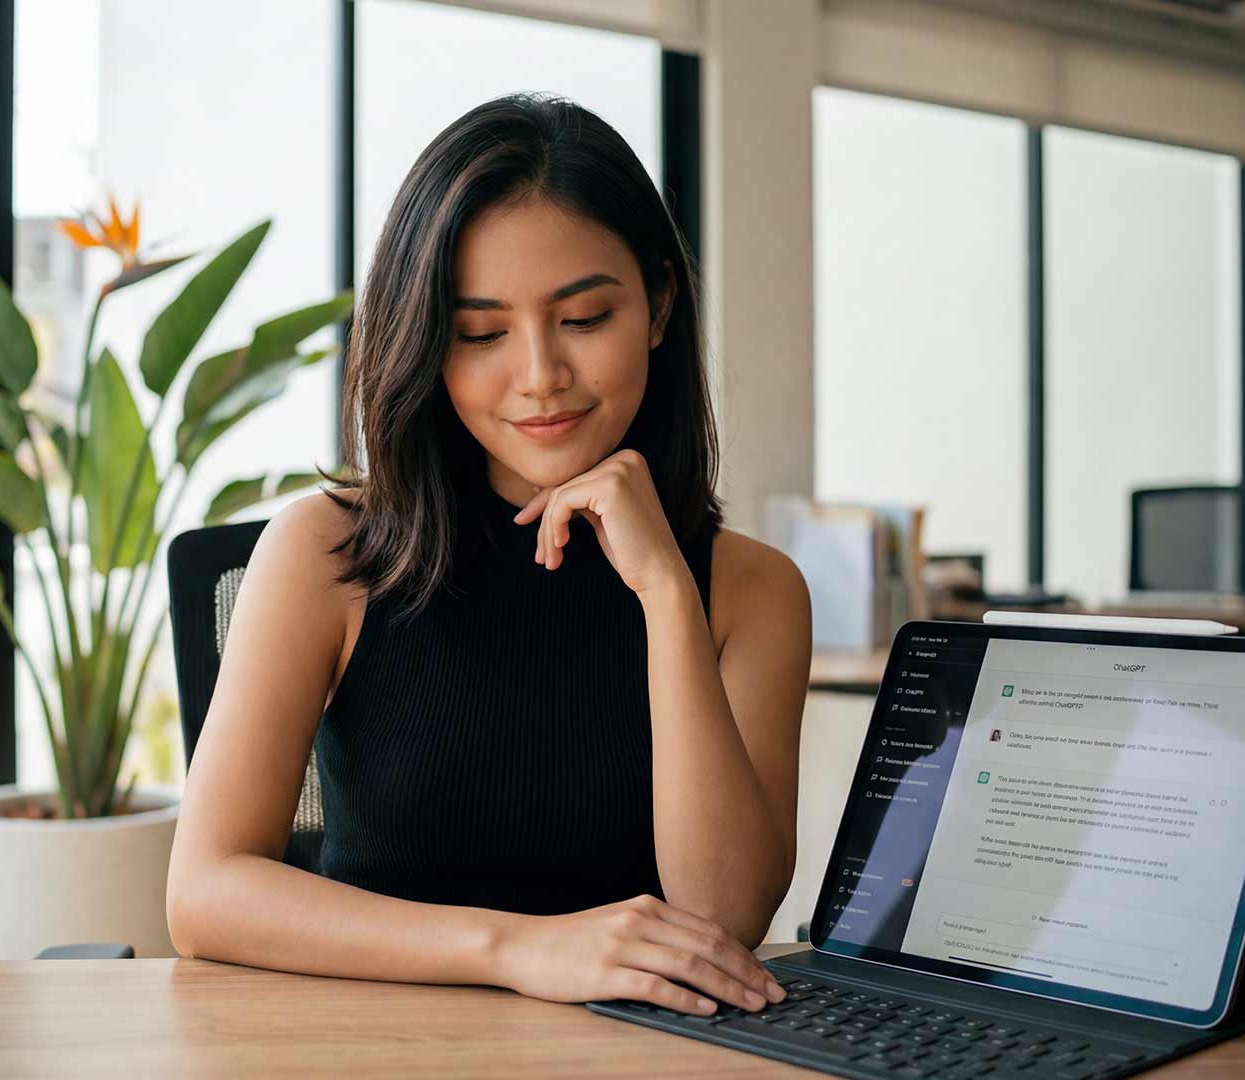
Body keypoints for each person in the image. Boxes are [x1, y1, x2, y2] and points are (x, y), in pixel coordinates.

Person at [166, 93, 812, 1019]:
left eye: (584, 318)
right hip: (372, 1049)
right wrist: (518, 947)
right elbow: (205, 892)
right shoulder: (326, 553)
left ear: (659, 304)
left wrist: (667, 588)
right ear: (429, 345)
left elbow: (724, 916)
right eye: (480, 334)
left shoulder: (752, 590)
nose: (540, 375)